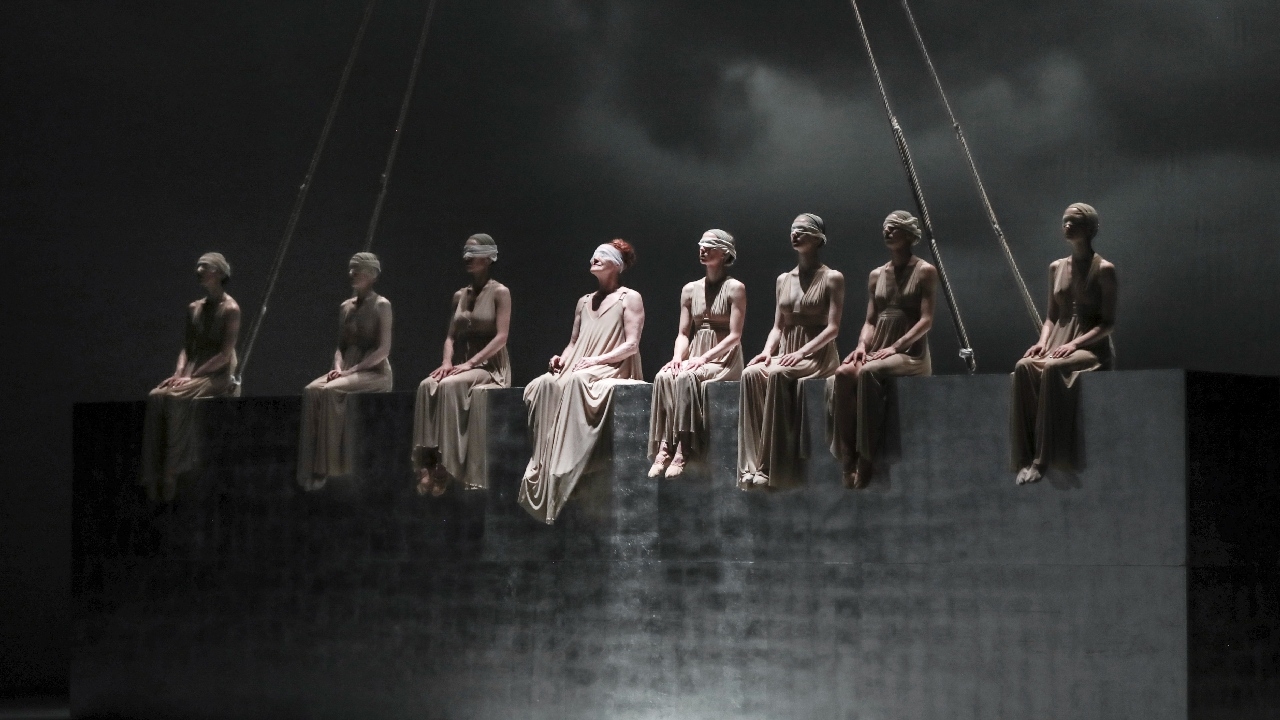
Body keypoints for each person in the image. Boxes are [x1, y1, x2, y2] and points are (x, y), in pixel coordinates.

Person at [519, 239, 645, 523]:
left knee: (577, 381)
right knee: (542, 385)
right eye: (594, 255)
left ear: (617, 264)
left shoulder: (629, 298)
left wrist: (596, 361)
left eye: (603, 255)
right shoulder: (584, 302)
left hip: (611, 366)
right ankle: (543, 462)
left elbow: (631, 345)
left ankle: (569, 467)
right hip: (580, 364)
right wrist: (560, 359)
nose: (594, 258)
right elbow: (573, 343)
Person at [828, 211, 937, 488]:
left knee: (869, 372)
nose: (887, 232)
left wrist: (896, 346)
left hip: (909, 352)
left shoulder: (925, 271)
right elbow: (870, 320)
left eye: (893, 228)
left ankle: (867, 457)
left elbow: (926, 320)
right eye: (885, 227)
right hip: (878, 346)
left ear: (908, 234)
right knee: (842, 374)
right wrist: (861, 345)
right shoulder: (876, 275)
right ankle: (848, 456)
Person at [1010, 202, 1117, 484]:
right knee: (1023, 366)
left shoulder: (1104, 269)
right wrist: (1042, 342)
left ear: (1090, 228)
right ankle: (1024, 456)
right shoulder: (1056, 267)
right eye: (1064, 221)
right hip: (1057, 341)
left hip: (1090, 348)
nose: (1067, 225)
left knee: (1053, 368)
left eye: (1074, 222)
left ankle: (1042, 459)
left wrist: (1075, 344)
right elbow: (1051, 316)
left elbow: (1107, 323)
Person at [738, 214, 844, 490]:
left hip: (817, 354)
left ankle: (772, 466)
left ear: (818, 238)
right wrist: (766, 351)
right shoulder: (783, 279)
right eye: (793, 229)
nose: (795, 234)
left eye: (803, 230)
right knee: (751, 373)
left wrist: (801, 353)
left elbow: (833, 328)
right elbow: (778, 326)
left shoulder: (832, 278)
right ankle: (750, 464)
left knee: (778, 374)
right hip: (787, 351)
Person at [413, 234, 512, 496]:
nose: (467, 257)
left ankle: (447, 464)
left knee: (450, 386)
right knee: (427, 384)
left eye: (474, 252)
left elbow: (502, 337)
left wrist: (471, 363)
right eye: (465, 251)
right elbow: (450, 336)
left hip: (490, 366)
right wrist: (447, 361)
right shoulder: (459, 295)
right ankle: (427, 459)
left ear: (489, 258)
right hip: (463, 364)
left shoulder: (500, 292)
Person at [140, 253, 241, 502]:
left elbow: (225, 355)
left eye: (205, 266)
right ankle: (152, 470)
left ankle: (173, 468)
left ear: (219, 273)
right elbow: (187, 347)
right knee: (156, 396)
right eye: (198, 266)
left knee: (175, 397)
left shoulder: (230, 309)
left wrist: (192, 376)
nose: (199, 270)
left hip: (217, 373)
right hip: (193, 371)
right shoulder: (194, 308)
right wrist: (179, 373)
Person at [647, 230, 745, 477]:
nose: (703, 249)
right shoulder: (690, 289)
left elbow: (735, 335)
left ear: (724, 253)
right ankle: (664, 446)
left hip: (723, 357)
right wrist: (677, 358)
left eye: (710, 246)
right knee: (664, 375)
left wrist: (704, 358)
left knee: (686, 376)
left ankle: (684, 447)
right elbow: (683, 333)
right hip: (696, 351)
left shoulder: (735, 288)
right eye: (701, 245)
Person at [297, 252, 393, 489]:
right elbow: (340, 346)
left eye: (357, 269)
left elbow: (383, 349)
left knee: (331, 391)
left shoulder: (382, 305)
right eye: (351, 269)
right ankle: (310, 464)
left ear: (372, 274)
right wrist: (339, 368)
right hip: (347, 369)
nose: (352, 273)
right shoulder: (345, 307)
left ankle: (328, 466)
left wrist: (352, 371)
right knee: (311, 390)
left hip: (374, 371)